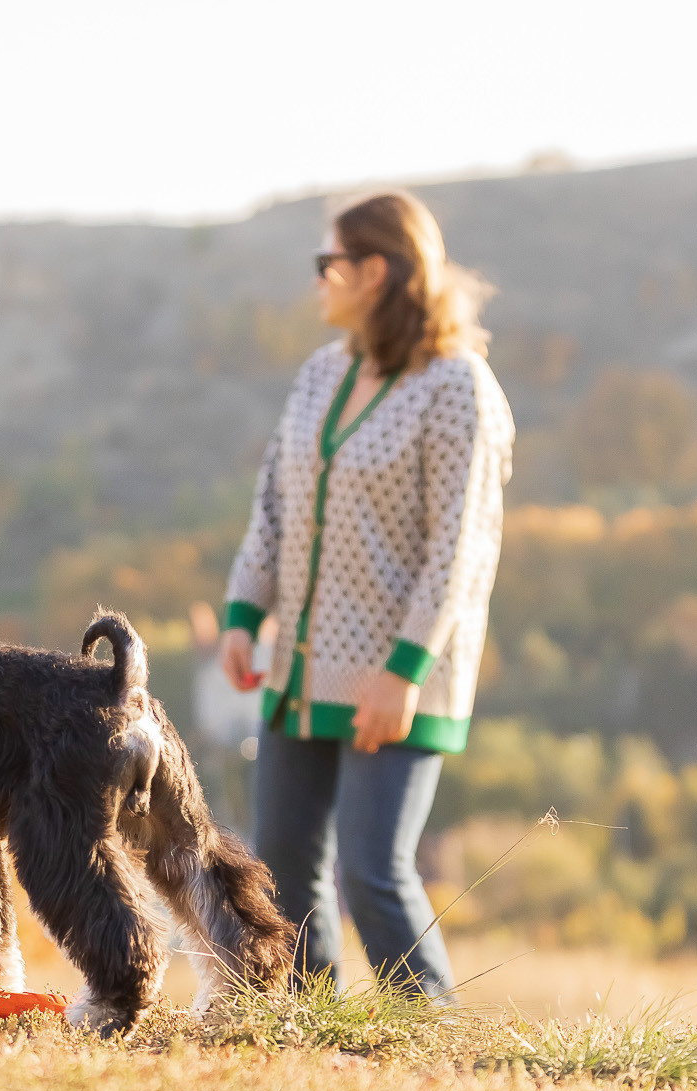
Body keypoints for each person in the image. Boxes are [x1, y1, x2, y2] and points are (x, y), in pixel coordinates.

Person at [219, 190, 513, 1000]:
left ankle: (435, 1038)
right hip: (301, 668)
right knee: (278, 865)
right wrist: (246, 613)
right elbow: (274, 505)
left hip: (397, 676)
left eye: (330, 263)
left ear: (376, 270)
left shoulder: (459, 388)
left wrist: (404, 670)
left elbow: (460, 546)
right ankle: (321, 1036)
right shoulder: (321, 374)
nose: (318, 279)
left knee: (372, 869)